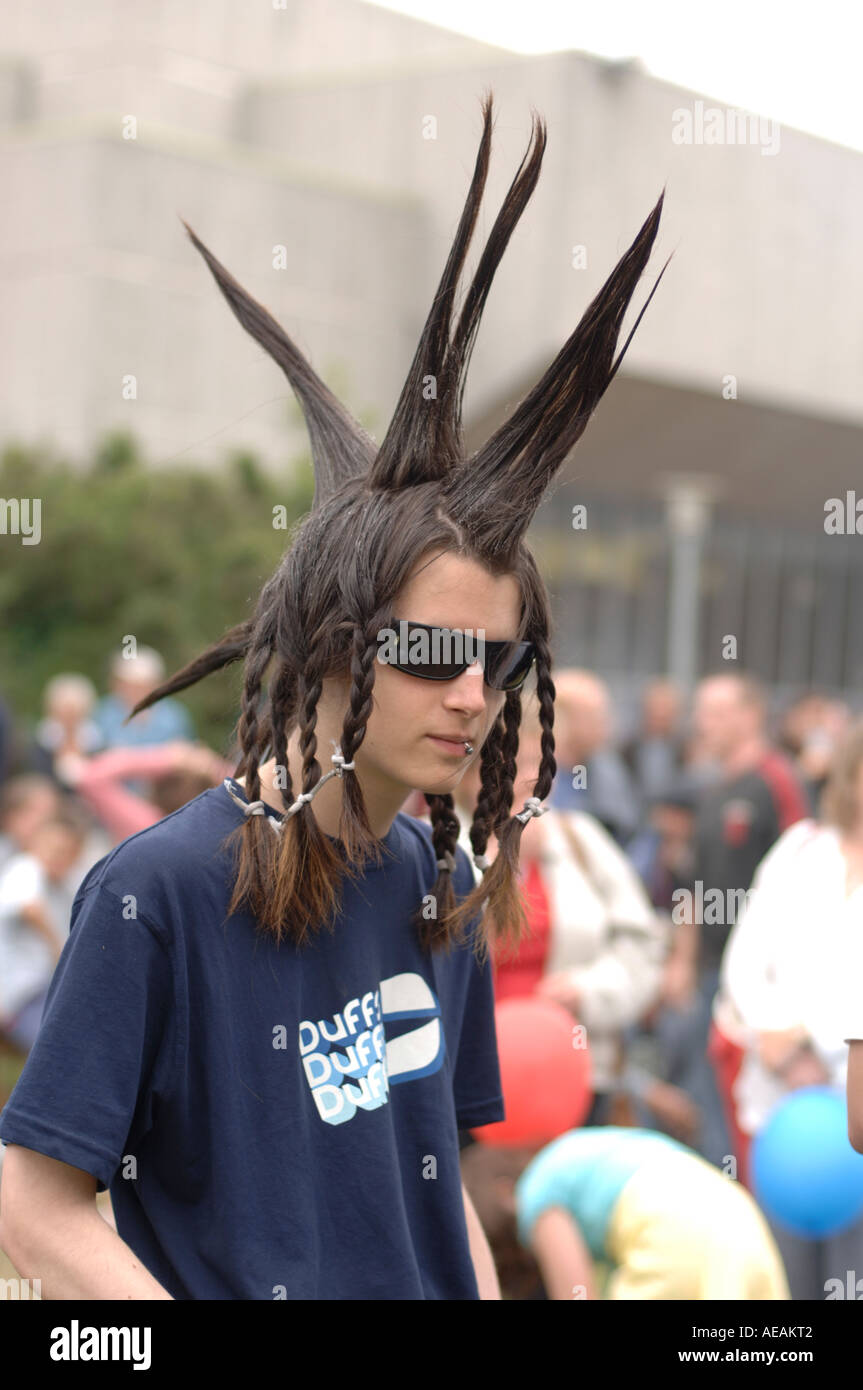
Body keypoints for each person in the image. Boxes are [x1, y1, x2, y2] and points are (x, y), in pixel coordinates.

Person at [0, 92, 669, 1300]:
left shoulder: (433, 881)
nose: (470, 694)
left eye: (500, 663)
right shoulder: (157, 894)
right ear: (324, 644)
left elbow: (432, 1187)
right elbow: (36, 1208)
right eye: (429, 649)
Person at [454, 689, 668, 1128]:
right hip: (470, 1074)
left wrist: (589, 991)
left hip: (576, 1071)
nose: (532, 780)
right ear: (474, 772)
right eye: (516, 763)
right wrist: (499, 863)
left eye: (541, 764)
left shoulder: (580, 838)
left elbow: (642, 945)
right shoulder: (435, 845)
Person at [722, 718, 863, 1297]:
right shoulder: (801, 847)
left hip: (849, 1096)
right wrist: (773, 1036)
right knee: (780, 1285)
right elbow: (745, 960)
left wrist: (815, 1036)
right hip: (780, 1103)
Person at [461, 1127, 790, 1300]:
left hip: (671, 1234)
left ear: (505, 1192)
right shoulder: (576, 1151)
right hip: (739, 1215)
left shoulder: (536, 1195)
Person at [0, 809, 89, 1052]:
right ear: (35, 845)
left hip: (46, 992)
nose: (58, 858)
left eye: (67, 853)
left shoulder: (64, 883)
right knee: (60, 1046)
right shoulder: (25, 868)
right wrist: (58, 949)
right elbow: (30, 908)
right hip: (19, 997)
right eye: (53, 850)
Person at [549, 671, 640, 845]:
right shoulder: (535, 769)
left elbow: (628, 829)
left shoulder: (605, 768)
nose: (607, 723)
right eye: (595, 715)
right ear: (565, 717)